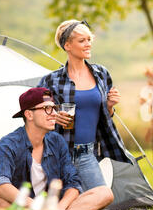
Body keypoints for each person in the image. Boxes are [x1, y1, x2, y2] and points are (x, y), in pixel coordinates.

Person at [0, 87, 115, 210]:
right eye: (47, 109)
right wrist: (35, 206)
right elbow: (0, 184)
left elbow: (73, 183)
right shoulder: (8, 144)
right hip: (24, 206)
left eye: (54, 108)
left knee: (104, 193)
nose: (54, 114)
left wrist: (60, 208)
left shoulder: (57, 141)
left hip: (52, 207)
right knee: (1, 204)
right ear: (29, 114)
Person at [38, 19, 132, 193]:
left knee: (100, 197)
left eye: (89, 40)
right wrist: (53, 116)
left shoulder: (101, 74)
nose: (88, 44)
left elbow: (104, 115)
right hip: (58, 153)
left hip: (87, 153)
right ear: (67, 45)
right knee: (68, 201)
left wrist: (110, 106)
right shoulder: (51, 80)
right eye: (82, 41)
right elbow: (35, 116)